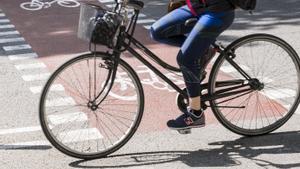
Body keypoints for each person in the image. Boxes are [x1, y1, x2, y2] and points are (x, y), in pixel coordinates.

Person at [150, 0, 236, 130]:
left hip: (218, 11)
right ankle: (203, 49)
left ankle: (196, 114)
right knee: (156, 31)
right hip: (196, 6)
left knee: (185, 58)